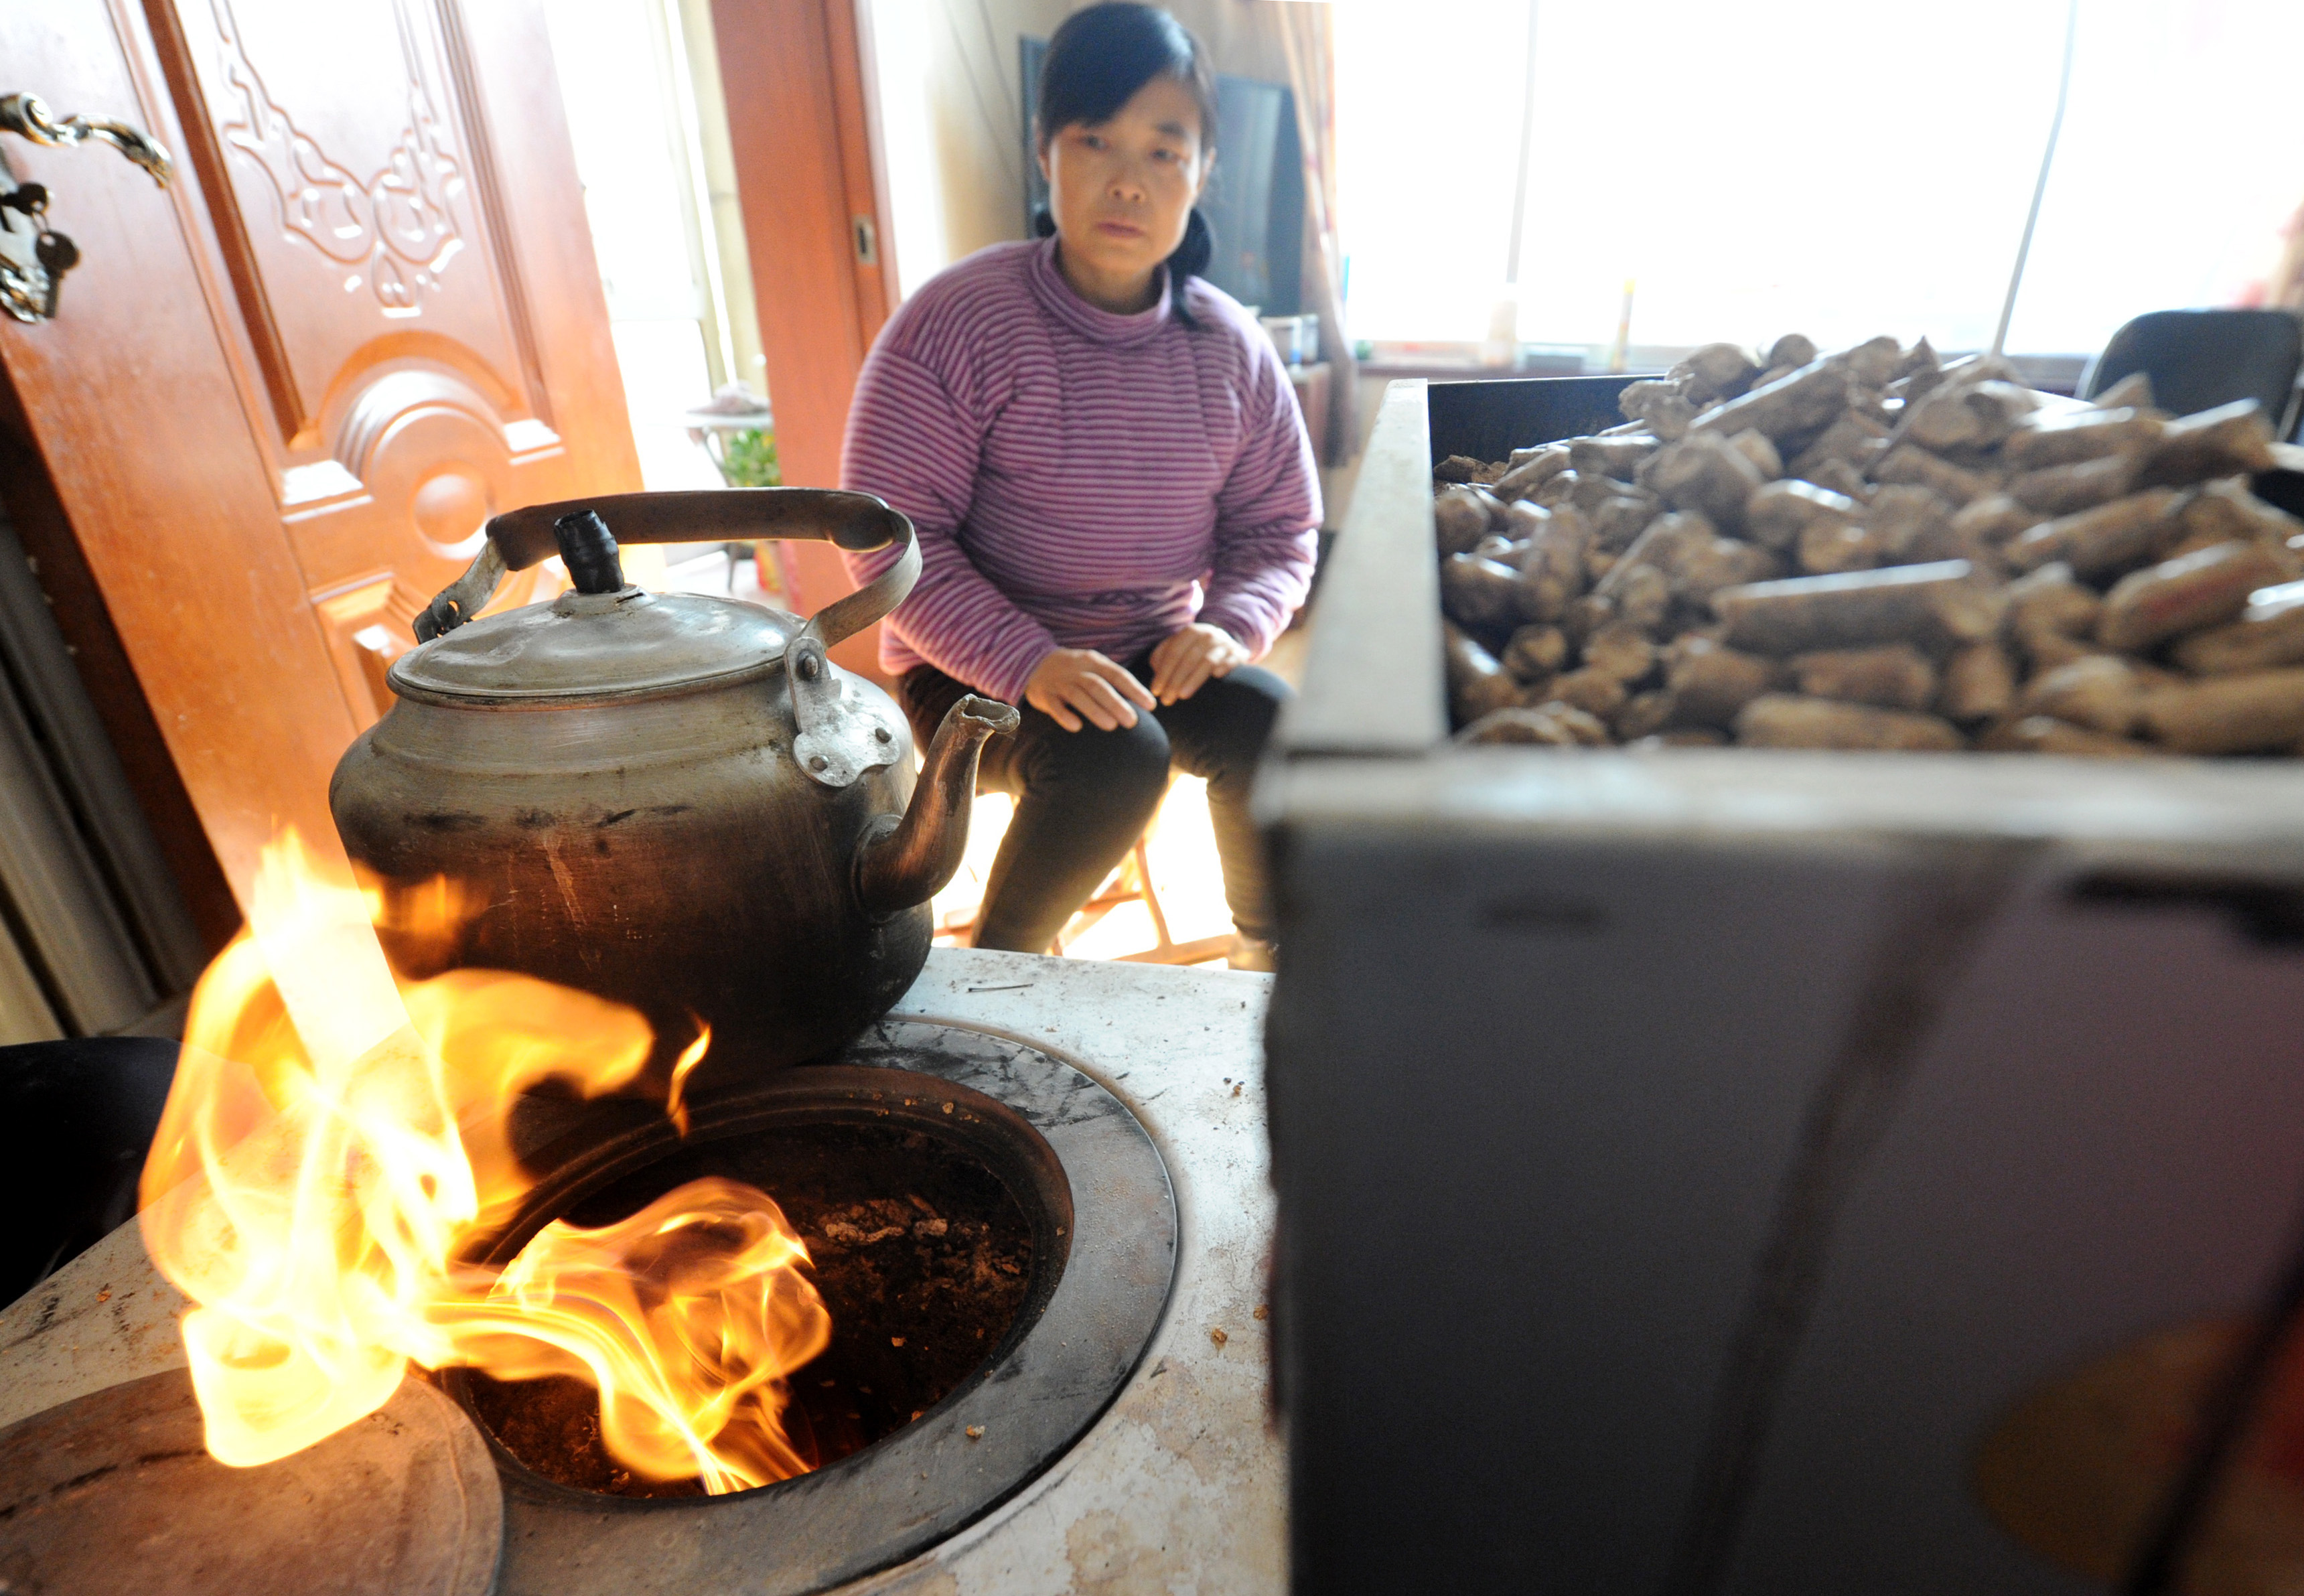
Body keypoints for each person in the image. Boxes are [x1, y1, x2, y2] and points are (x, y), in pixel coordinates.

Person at [839, 1, 1319, 970]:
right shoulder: (959, 320)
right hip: (970, 667)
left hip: (1147, 650)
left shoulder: (1231, 348)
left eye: (1164, 152)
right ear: (1044, 151)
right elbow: (890, 540)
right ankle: (1008, 972)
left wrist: (1228, 626)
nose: (1126, 182)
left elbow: (1281, 531)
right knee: (1117, 759)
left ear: (1201, 175)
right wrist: (1026, 659)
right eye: (1095, 139)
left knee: (1271, 721)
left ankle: (1264, 966)